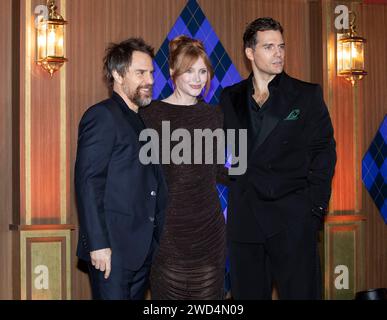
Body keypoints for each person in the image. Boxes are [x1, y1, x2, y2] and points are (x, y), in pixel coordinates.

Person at [220, 17, 336, 299]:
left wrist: (315, 209)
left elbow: (324, 152)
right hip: (245, 222)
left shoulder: (306, 95)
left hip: (293, 219)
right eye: (269, 47)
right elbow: (219, 150)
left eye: (281, 46)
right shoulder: (229, 97)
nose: (278, 53)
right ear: (250, 52)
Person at [74, 38, 168, 300]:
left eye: (151, 72)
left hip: (142, 251)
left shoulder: (143, 122)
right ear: (117, 74)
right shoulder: (102, 116)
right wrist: (98, 244)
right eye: (140, 73)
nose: (149, 79)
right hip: (111, 252)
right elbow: (88, 183)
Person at [140, 35, 226, 299]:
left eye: (202, 71)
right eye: (189, 71)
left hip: (209, 234)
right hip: (168, 237)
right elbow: (143, 176)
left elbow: (219, 170)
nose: (197, 78)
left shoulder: (214, 115)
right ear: (172, 71)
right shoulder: (150, 115)